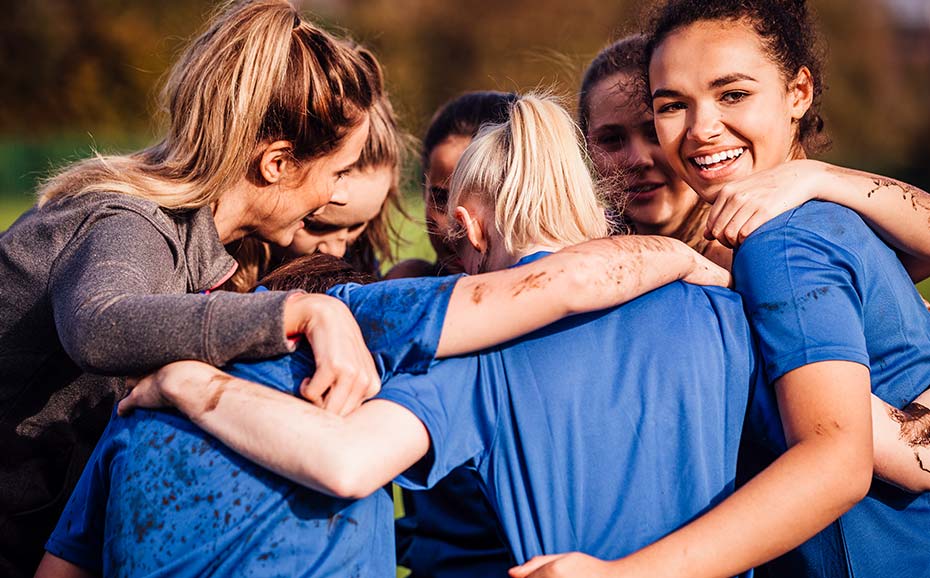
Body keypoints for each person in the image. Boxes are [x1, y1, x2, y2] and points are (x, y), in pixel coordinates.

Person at [115, 94, 761, 575]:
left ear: (468, 230)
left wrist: (187, 382)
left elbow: (344, 464)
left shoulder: (474, 359)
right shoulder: (727, 313)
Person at [511, 1, 930, 576]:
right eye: (673, 105)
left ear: (798, 93)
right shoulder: (805, 228)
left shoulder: (781, 244)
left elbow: (836, 461)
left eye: (733, 94)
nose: (702, 127)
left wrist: (627, 574)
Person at [36, 230, 728, 575]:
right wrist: (681, 254)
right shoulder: (384, 351)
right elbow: (346, 467)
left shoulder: (132, 423)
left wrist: (186, 381)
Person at [0, 2, 385, 575]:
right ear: (277, 163)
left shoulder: (198, 243)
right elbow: (101, 324)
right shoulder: (127, 222)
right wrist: (300, 312)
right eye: (337, 171)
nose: (333, 196)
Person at [578, 31, 930, 496]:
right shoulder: (587, 268)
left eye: (652, 129)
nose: (640, 158)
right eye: (610, 138)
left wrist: (818, 175)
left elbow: (871, 451)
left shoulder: (785, 249)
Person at [389, 91, 522, 578]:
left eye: (478, 197)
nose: (453, 225)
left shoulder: (580, 298)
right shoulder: (402, 296)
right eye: (441, 196)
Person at [387, 91, 518, 279]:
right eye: (441, 198)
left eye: (488, 202)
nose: (456, 230)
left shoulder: (562, 289)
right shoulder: (404, 288)